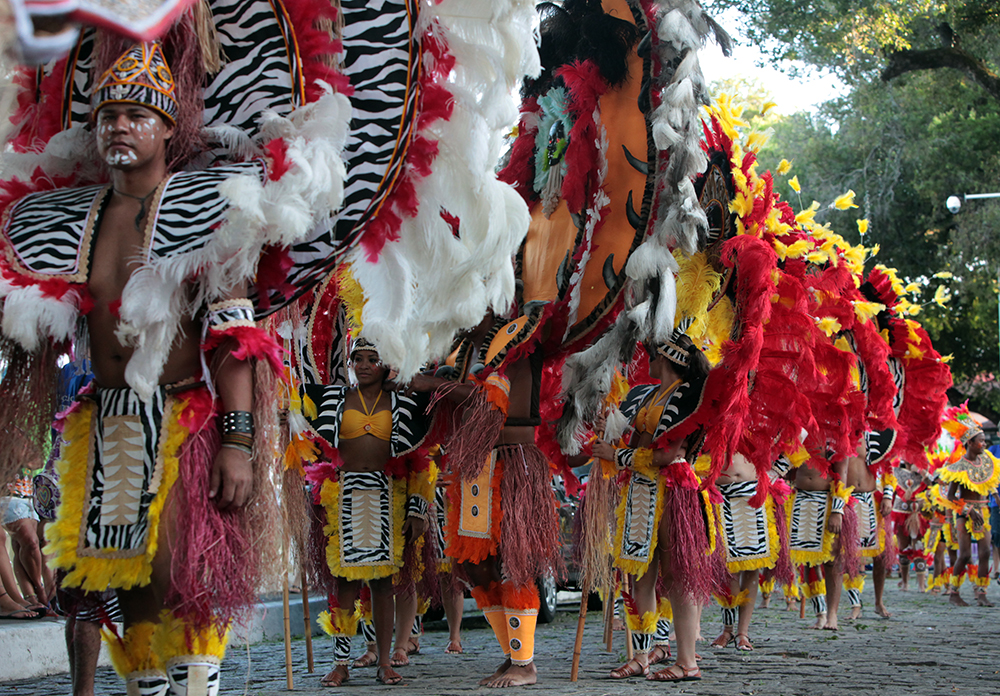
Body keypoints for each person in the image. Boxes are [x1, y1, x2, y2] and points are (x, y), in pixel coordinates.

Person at [0, 41, 286, 695]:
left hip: (182, 420)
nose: (120, 126)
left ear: (167, 126)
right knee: (123, 584)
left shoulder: (208, 211)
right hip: (103, 426)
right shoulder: (65, 224)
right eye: (109, 115)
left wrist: (238, 441)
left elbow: (232, 335)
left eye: (136, 114)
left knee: (182, 575)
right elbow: (28, 341)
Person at [297, 338, 435, 686]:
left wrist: (418, 508)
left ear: (386, 364)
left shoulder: (403, 404)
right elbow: (294, 405)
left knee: (383, 583)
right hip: (343, 495)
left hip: (387, 495)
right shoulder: (332, 399)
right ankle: (341, 662)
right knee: (343, 583)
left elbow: (420, 459)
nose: (363, 365)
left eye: (372, 359)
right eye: (358, 359)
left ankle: (385, 661)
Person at [592, 333, 717, 682]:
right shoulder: (649, 394)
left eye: (652, 353)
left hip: (674, 490)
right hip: (641, 490)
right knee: (639, 576)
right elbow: (637, 441)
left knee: (678, 578)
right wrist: (611, 433)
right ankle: (642, 656)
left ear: (667, 357)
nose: (648, 358)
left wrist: (616, 456)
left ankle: (687, 662)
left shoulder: (688, 395)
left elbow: (667, 454)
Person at [711, 453, 791, 651]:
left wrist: (775, 472)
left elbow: (798, 432)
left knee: (752, 566)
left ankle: (742, 632)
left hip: (753, 493)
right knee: (727, 566)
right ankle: (727, 629)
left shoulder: (761, 421)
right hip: (720, 493)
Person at [940, 405, 1000, 607]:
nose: (984, 444)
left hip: (983, 510)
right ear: (970, 443)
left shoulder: (988, 462)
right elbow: (950, 497)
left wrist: (995, 496)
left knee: (984, 553)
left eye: (984, 440)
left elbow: (989, 481)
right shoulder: (958, 467)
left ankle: (982, 593)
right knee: (964, 554)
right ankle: (954, 593)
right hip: (965, 512)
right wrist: (969, 511)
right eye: (980, 441)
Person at [788, 452, 852, 630]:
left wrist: (837, 511)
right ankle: (820, 614)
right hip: (800, 499)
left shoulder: (836, 434)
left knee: (832, 562)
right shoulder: (798, 431)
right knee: (807, 561)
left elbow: (842, 473)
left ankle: (832, 615)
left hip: (826, 501)